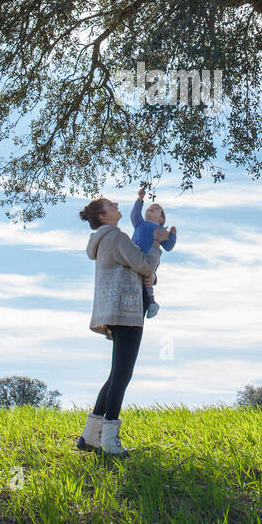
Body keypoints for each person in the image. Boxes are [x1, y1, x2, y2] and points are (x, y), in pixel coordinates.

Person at [76, 195, 169, 456]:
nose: (116, 206)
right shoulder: (116, 237)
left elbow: (139, 269)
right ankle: (109, 439)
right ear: (102, 215)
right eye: (110, 205)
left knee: (116, 373)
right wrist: (157, 244)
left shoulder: (106, 239)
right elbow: (143, 263)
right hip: (127, 310)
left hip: (116, 309)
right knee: (122, 374)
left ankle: (90, 436)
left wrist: (151, 276)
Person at [129, 186, 177, 319]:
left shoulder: (160, 230)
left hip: (150, 258)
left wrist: (172, 236)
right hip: (135, 256)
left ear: (161, 219)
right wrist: (140, 199)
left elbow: (168, 246)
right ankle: (150, 301)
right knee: (140, 277)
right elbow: (134, 214)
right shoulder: (140, 224)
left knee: (147, 279)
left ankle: (151, 302)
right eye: (150, 207)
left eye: (156, 209)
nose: (152, 208)